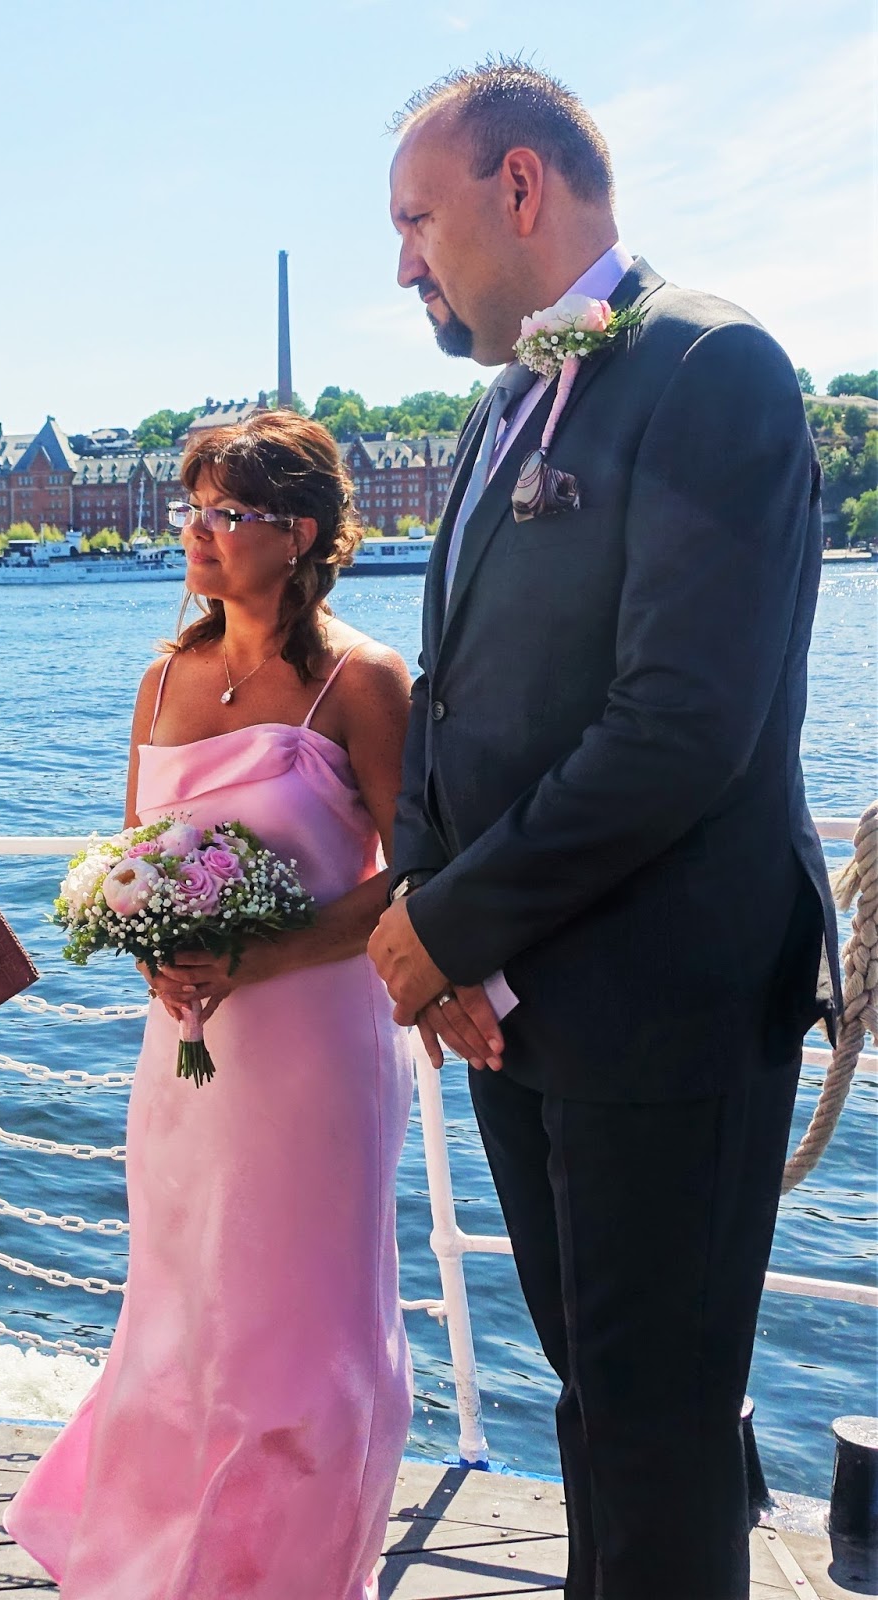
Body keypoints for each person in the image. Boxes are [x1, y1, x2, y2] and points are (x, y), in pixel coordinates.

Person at [367, 61, 837, 1599]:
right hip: (517, 1007)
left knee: (654, 1420)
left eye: (416, 220)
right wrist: (428, 910)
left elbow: (682, 723)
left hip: (665, 1003)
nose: (404, 265)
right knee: (604, 1401)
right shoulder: (499, 407)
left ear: (519, 186)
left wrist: (446, 924)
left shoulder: (713, 367)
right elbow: (453, 688)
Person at [5, 412, 416, 1598]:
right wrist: (150, 946)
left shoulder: (363, 680)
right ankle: (158, 1568)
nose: (197, 530)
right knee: (182, 1311)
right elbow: (134, 853)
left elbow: (418, 870)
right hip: (184, 1048)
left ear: (301, 533)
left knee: (303, 1332)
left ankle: (300, 1571)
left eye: (227, 512)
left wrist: (262, 954)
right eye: (193, 507)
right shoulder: (161, 678)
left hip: (316, 1048)